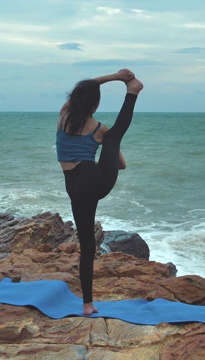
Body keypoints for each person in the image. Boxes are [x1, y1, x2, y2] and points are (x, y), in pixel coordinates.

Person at [56, 69, 143, 315]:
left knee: (87, 246)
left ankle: (87, 304)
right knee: (116, 133)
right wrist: (122, 80)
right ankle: (133, 93)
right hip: (97, 182)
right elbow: (121, 164)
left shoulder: (63, 116)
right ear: (95, 104)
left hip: (74, 187)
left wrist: (114, 76)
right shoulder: (99, 130)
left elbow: (84, 87)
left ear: (74, 99)